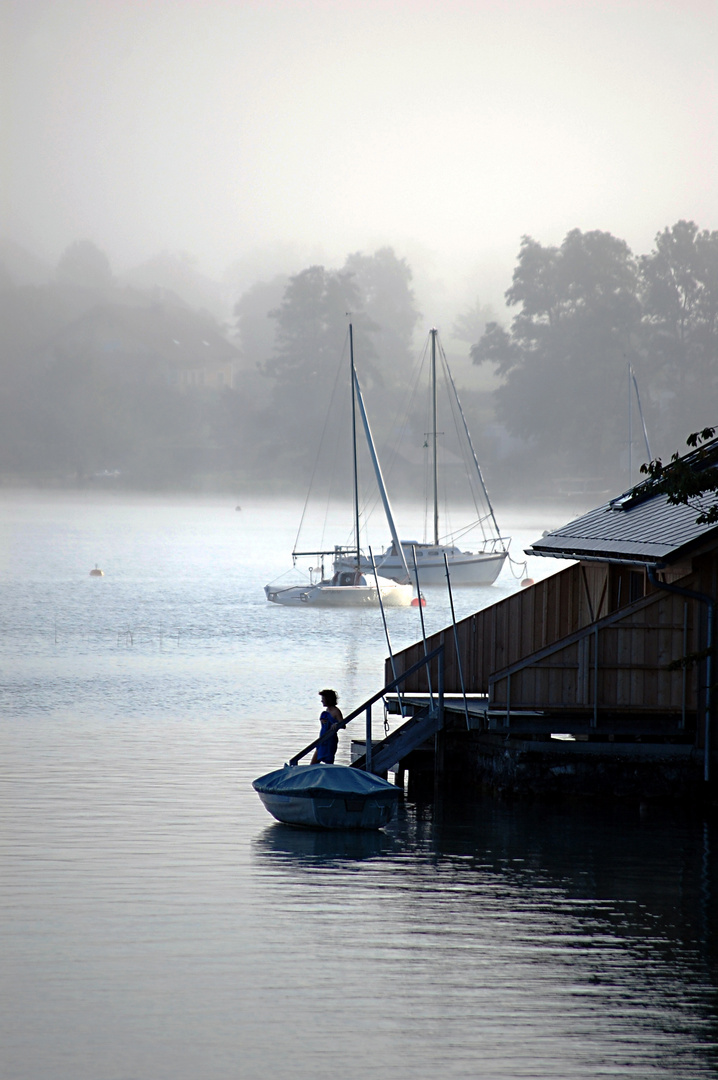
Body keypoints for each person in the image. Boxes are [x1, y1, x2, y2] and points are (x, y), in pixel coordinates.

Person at [310, 689, 343, 764]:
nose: (321, 701)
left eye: (323, 699)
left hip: (330, 740)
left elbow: (343, 725)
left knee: (328, 762)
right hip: (322, 739)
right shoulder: (327, 710)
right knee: (313, 763)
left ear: (328, 699)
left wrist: (337, 724)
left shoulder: (336, 711)